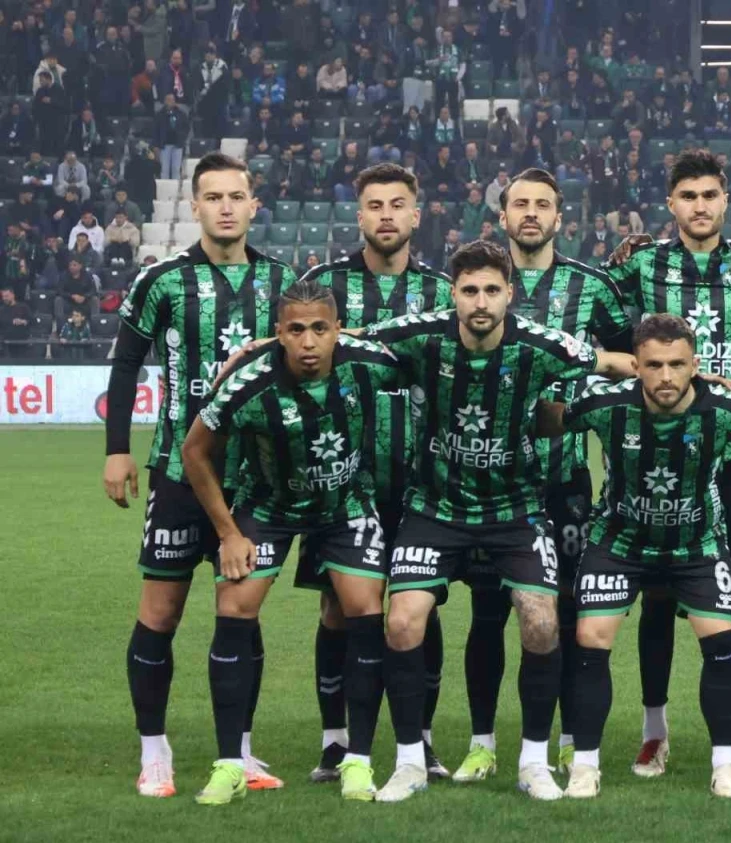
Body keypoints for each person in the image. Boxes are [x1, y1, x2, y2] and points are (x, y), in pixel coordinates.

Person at [361, 240, 634, 803]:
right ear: (453, 294)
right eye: (469, 291)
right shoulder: (420, 334)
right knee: (402, 622)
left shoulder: (539, 343)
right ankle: (409, 762)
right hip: (435, 508)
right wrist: (265, 347)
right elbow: (345, 341)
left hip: (516, 510)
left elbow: (612, 362)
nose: (480, 302)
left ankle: (533, 762)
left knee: (541, 623)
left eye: (491, 290)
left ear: (510, 293)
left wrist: (695, 380)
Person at [103, 152, 295, 798]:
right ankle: (154, 752)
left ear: (254, 204)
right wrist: (117, 450)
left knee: (242, 614)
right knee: (160, 613)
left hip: (255, 481)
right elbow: (126, 364)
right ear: (194, 207)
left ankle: (239, 750)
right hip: (178, 473)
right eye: (213, 197)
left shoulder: (281, 280)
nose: (226, 207)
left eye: (236, 196)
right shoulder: (161, 281)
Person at [606, 151, 731, 779]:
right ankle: (653, 731)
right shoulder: (641, 265)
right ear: (670, 204)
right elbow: (599, 318)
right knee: (659, 593)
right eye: (687, 195)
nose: (699, 206)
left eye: (710, 195)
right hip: (661, 453)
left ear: (727, 200)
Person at [181, 282, 400, 805]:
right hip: (268, 508)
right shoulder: (249, 385)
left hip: (345, 506)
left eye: (320, 329)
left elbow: (428, 354)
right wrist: (228, 534)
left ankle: (358, 761)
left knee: (365, 608)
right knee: (234, 604)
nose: (308, 342)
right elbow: (194, 452)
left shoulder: (370, 362)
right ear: (278, 333)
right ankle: (230, 764)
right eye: (296, 330)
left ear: (338, 330)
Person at [537, 313, 731, 799]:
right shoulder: (604, 404)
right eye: (654, 365)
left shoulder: (727, 408)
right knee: (590, 641)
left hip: (698, 543)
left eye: (677, 365)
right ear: (636, 366)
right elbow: (546, 419)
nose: (666, 376)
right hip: (618, 542)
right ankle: (585, 766)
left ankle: (725, 764)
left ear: (695, 365)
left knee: (722, 643)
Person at [453, 168, 634, 781]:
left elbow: (629, 363)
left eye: (542, 204)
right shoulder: (478, 285)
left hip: (563, 484)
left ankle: (564, 740)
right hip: (489, 487)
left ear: (561, 217)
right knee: (487, 616)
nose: (530, 213)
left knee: (566, 613)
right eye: (520, 204)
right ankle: (482, 742)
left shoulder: (593, 288)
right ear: (502, 216)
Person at [294, 164, 455, 783]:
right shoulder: (322, 288)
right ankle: (335, 742)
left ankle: (421, 740)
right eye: (375, 205)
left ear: (416, 215)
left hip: (422, 483)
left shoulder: (443, 292)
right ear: (359, 215)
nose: (386, 215)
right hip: (342, 482)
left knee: (421, 608)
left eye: (397, 205)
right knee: (338, 611)